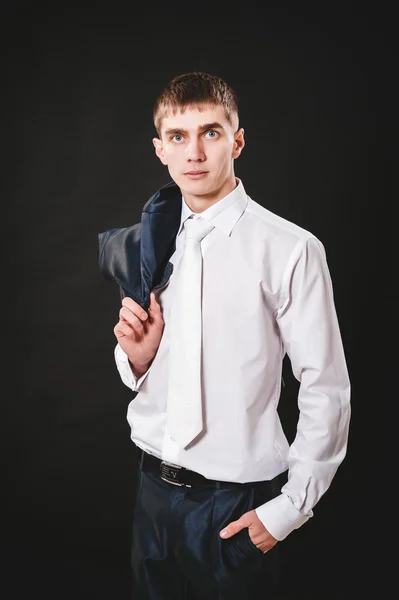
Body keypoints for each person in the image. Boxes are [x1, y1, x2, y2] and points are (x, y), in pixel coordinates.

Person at [98, 71, 351, 600]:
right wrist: (137, 362)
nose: (194, 152)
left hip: (236, 506)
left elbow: (325, 387)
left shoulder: (291, 249)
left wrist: (290, 509)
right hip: (152, 495)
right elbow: (144, 367)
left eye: (210, 133)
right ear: (160, 150)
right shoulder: (150, 241)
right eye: (178, 137)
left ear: (237, 140)